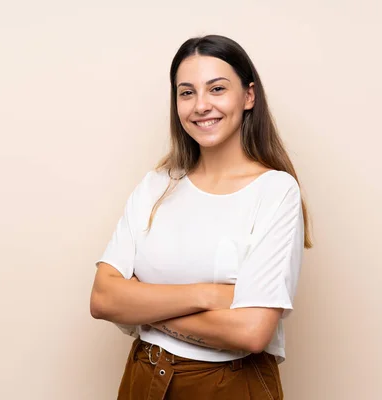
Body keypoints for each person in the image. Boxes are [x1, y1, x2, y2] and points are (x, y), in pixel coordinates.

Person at [90, 34, 313, 400]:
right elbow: (103, 298)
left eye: (217, 89)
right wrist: (208, 295)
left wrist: (141, 307)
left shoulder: (275, 191)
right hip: (143, 376)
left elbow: (251, 331)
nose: (201, 105)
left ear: (248, 96)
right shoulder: (157, 184)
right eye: (187, 92)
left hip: (229, 383)